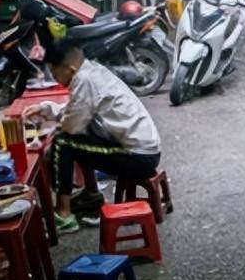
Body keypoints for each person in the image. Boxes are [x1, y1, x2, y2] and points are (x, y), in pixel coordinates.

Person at [31, 40, 162, 234]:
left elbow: (72, 126)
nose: (56, 78)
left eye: (55, 72)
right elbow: (78, 110)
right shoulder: (91, 71)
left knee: (63, 143)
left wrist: (54, 126)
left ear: (71, 68)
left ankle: (64, 215)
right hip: (143, 151)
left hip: (137, 157)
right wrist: (46, 109)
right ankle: (91, 194)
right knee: (82, 134)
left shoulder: (85, 80)